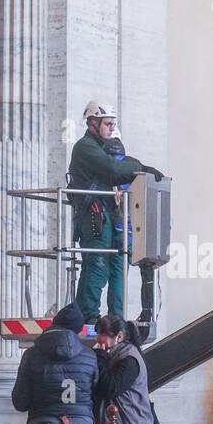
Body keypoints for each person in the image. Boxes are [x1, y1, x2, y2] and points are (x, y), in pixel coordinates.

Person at [67, 101, 163, 321]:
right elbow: (113, 169)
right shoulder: (85, 147)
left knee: (112, 265)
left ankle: (109, 317)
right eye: (107, 123)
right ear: (92, 122)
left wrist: (138, 168)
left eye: (113, 124)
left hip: (103, 215)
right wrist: (139, 168)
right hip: (94, 216)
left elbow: (117, 169)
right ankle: (89, 316)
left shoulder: (98, 147)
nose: (111, 128)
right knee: (97, 265)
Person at [106, 126, 159, 325]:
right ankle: (145, 313)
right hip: (134, 232)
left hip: (121, 232)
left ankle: (117, 317)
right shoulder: (133, 165)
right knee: (141, 271)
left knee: (119, 277)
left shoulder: (111, 167)